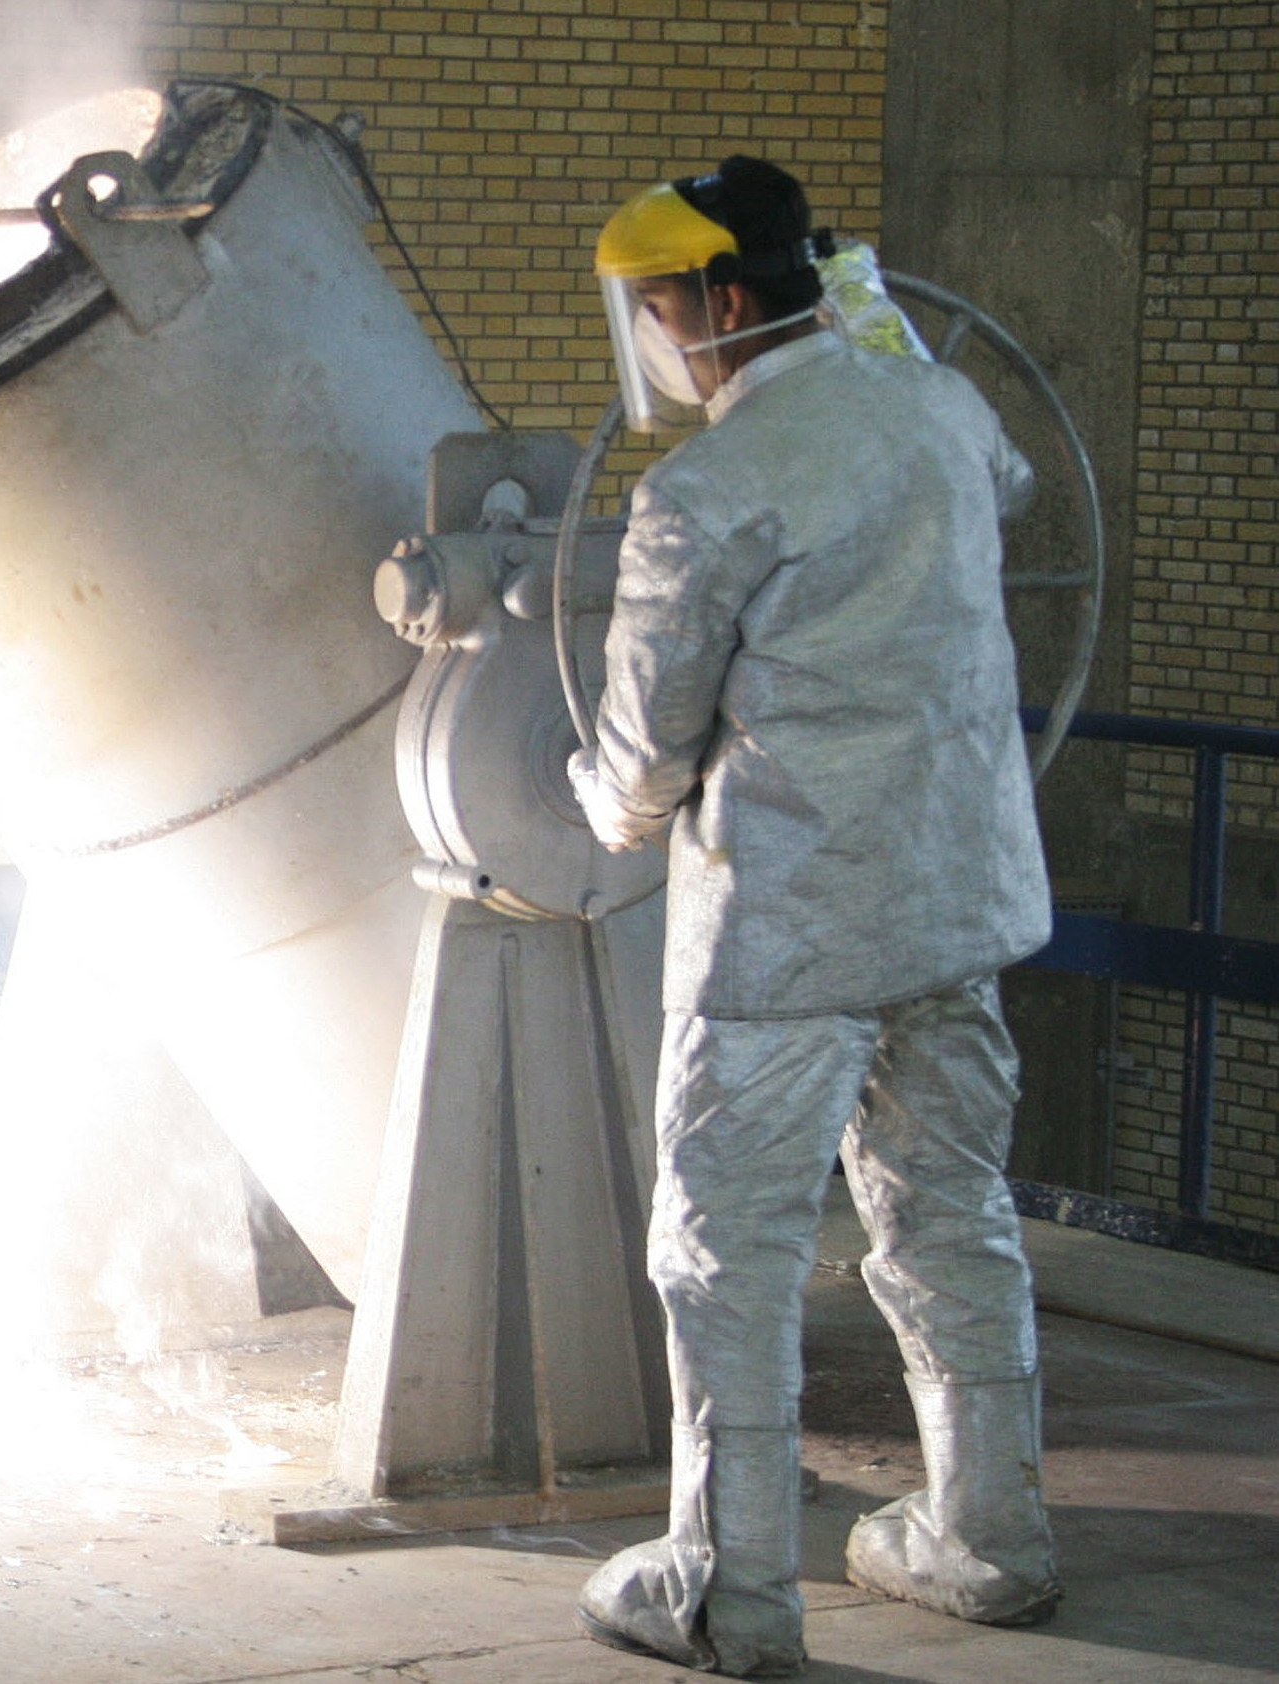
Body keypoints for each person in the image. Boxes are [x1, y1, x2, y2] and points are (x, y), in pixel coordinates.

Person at [563, 158, 1063, 1675]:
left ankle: (730, 1591)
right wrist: (872, 330)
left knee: (725, 1254)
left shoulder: (701, 490)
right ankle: (986, 1540)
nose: (650, 341)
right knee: (950, 1221)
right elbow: (1008, 486)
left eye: (657, 311)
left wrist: (597, 802)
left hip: (785, 938)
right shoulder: (941, 412)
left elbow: (645, 757)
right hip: (952, 906)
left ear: (718, 302)